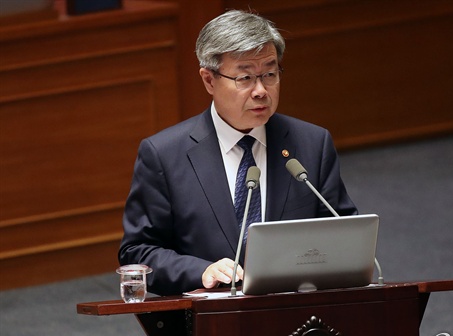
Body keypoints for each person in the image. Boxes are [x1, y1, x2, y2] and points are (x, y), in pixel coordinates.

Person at [118, 10, 357, 296]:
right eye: (245, 78)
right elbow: (138, 253)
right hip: (209, 322)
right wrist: (201, 271)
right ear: (209, 80)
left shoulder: (312, 143)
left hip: (298, 315)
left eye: (269, 73)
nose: (260, 90)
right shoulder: (164, 155)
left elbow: (346, 236)